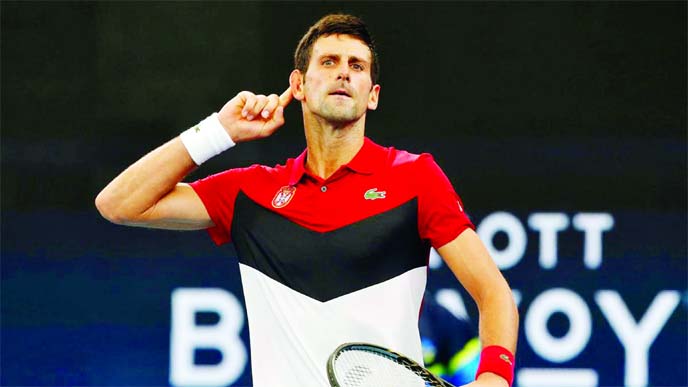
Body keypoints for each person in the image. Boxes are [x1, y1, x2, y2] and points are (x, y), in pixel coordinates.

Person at [95, 14, 518, 387]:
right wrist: (219, 132)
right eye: (328, 62)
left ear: (372, 93)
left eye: (357, 66)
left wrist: (494, 377)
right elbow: (120, 204)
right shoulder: (250, 192)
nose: (343, 74)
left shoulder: (415, 177)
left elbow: (493, 293)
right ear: (298, 84)